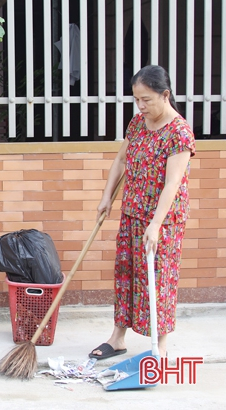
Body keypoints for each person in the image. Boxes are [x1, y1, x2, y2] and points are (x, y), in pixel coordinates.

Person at [90, 65, 195, 360]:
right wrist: (106, 197)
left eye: (146, 99)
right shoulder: (137, 123)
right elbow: (121, 161)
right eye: (137, 99)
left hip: (163, 221)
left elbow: (173, 183)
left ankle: (159, 346)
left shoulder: (179, 132)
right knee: (125, 275)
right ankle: (118, 338)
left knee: (158, 280)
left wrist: (156, 224)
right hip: (132, 213)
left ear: (165, 95)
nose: (141, 106)